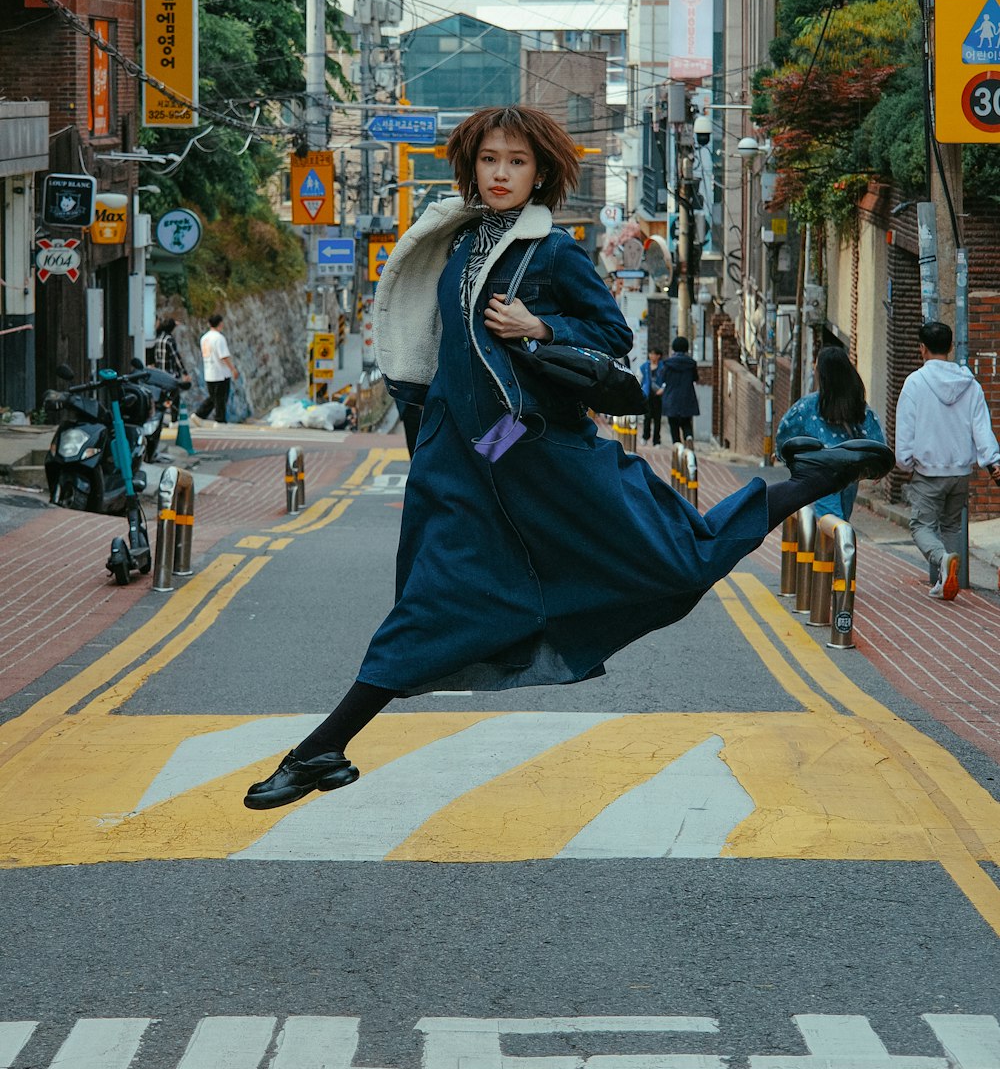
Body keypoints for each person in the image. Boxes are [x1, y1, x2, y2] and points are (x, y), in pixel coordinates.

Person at [244, 105, 894, 811]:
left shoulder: (551, 252)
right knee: (430, 603)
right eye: (490, 159)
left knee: (680, 558)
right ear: (470, 164)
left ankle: (816, 475)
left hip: (537, 449)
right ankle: (322, 747)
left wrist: (540, 324)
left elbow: (612, 332)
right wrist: (441, 444)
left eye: (517, 162)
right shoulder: (460, 244)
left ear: (541, 173)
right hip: (465, 458)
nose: (501, 173)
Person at [894, 320, 1000, 600]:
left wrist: (904, 463)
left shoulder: (915, 383)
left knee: (921, 526)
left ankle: (942, 560)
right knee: (952, 525)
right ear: (951, 347)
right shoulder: (970, 384)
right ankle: (946, 584)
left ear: (922, 349)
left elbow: (905, 428)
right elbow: (981, 428)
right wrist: (992, 460)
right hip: (960, 471)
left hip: (928, 471)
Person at [775, 345, 886, 521]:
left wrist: (785, 458)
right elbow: (876, 441)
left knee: (829, 521)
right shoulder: (858, 405)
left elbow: (784, 435)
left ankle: (832, 547)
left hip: (820, 471)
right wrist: (877, 468)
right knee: (841, 521)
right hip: (849, 473)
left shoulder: (808, 406)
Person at [196, 312, 238, 423]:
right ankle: (218, 420)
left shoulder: (204, 338)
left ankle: (200, 416)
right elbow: (224, 356)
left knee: (214, 398)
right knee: (221, 398)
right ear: (220, 323)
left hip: (209, 371)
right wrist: (233, 369)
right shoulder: (219, 338)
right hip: (221, 373)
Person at [661, 336, 700, 445]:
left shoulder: (668, 364)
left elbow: (663, 378)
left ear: (673, 348)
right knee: (686, 423)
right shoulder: (691, 363)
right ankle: (688, 437)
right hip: (687, 397)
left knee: (674, 426)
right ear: (686, 348)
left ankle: (677, 445)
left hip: (671, 398)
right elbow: (695, 378)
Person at [639, 346, 664, 446]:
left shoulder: (663, 367)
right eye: (650, 354)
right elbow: (639, 378)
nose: (651, 356)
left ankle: (656, 440)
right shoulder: (645, 366)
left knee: (657, 419)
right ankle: (645, 436)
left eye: (654, 354)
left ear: (658, 356)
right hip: (647, 395)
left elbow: (666, 380)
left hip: (659, 395)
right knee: (647, 417)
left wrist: (663, 389)